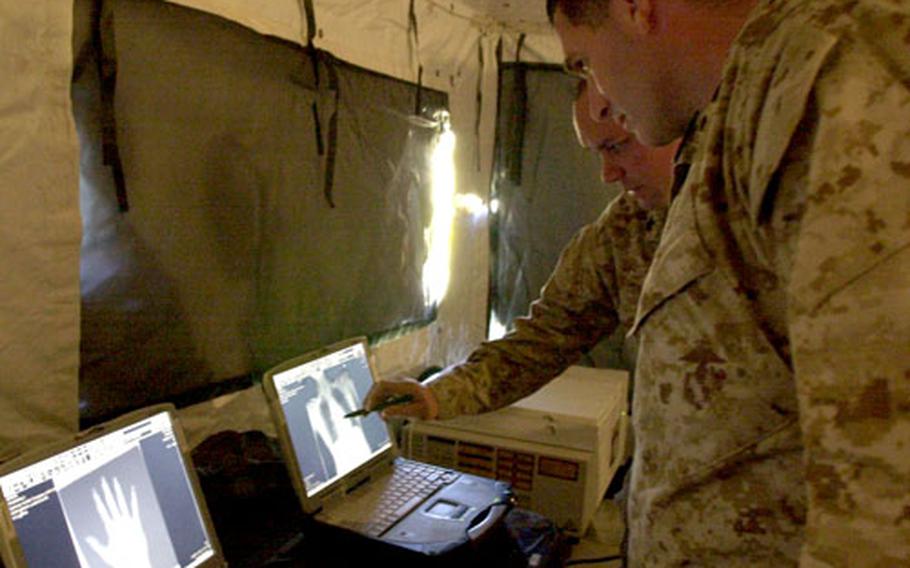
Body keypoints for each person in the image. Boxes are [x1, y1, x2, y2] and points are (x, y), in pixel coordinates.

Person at [547, 0, 910, 566]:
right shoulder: (734, 114)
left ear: (636, 9)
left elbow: (884, 486)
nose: (600, 96)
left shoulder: (828, 63)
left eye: (583, 62)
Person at [365, 85, 676, 421]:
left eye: (615, 147)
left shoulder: (737, 206)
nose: (607, 174)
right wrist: (436, 395)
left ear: (670, 125)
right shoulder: (625, 232)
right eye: (598, 153)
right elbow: (540, 342)